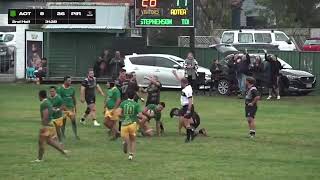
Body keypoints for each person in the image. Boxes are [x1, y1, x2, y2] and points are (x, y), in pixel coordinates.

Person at [32, 90, 68, 162]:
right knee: (50, 142)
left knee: (41, 142)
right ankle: (63, 152)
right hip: (51, 125)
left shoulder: (44, 104)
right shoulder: (48, 102)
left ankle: (39, 159)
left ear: (40, 96)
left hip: (47, 125)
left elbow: (46, 114)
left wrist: (44, 124)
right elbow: (52, 110)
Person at [172, 70, 196, 143]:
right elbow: (181, 80)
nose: (180, 84)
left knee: (186, 122)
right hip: (184, 107)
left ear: (183, 83)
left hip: (187, 107)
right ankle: (191, 134)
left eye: (181, 83)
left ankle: (189, 137)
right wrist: (175, 74)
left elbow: (190, 100)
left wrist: (188, 110)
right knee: (185, 121)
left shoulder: (187, 90)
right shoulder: (186, 86)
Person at [119, 91, 142, 160]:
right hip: (132, 124)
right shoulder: (136, 104)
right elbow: (140, 115)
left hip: (124, 124)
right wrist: (137, 115)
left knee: (126, 138)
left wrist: (124, 116)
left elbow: (119, 114)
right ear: (134, 96)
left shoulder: (123, 103)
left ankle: (125, 142)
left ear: (127, 96)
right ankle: (131, 155)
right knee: (133, 140)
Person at [57, 76, 80, 140]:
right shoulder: (60, 89)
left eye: (70, 80)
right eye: (69, 81)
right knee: (63, 121)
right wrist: (63, 108)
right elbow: (59, 100)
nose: (70, 82)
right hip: (63, 108)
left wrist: (75, 107)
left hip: (71, 107)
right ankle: (63, 134)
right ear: (65, 81)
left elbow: (73, 98)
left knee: (73, 120)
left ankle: (75, 135)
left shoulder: (72, 89)